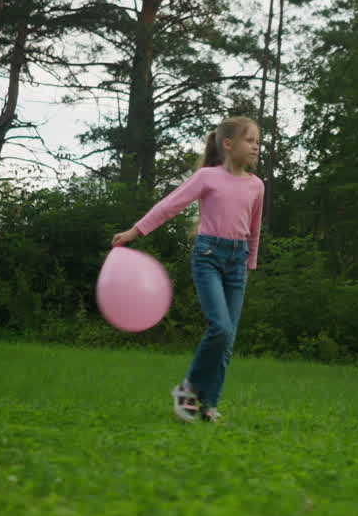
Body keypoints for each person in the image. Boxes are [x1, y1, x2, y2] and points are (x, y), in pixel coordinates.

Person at [111, 116, 263, 423]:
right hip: (208, 255)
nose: (256, 147)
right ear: (228, 144)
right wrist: (135, 232)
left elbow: (255, 228)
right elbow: (171, 205)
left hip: (237, 261)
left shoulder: (257, 186)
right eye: (250, 140)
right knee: (220, 327)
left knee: (227, 339)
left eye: (259, 142)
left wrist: (250, 263)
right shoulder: (208, 177)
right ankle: (189, 387)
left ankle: (208, 405)